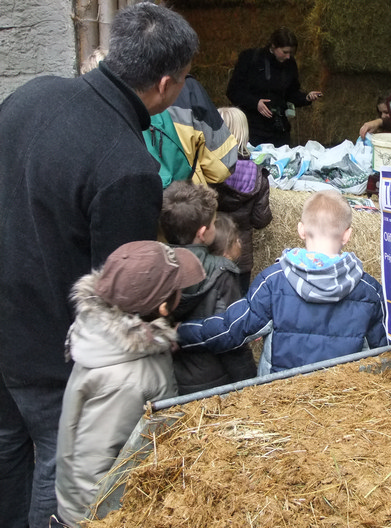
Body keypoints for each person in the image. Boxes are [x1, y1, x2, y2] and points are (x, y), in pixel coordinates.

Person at [0, 4, 198, 527]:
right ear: (165, 85)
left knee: (7, 454)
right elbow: (125, 294)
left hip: (6, 322)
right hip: (50, 352)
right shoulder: (127, 166)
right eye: (184, 79)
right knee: (55, 468)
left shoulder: (31, 94)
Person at [54, 241, 206, 527]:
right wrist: (103, 521)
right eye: (178, 288)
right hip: (102, 514)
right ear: (163, 307)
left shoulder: (121, 342)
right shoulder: (125, 379)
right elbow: (92, 469)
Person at [178, 190, 389, 376]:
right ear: (347, 235)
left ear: (301, 230)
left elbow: (230, 329)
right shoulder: (370, 291)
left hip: (281, 398)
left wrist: (179, 333)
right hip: (341, 400)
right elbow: (383, 353)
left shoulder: (273, 281)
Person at [160, 181, 257, 394]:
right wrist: (250, 383)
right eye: (213, 223)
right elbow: (232, 334)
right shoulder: (221, 271)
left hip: (167, 377)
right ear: (203, 233)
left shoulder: (154, 265)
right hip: (213, 381)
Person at [226, 27, 323, 147]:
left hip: (279, 129)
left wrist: (306, 97)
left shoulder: (290, 64)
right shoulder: (251, 58)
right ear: (273, 46)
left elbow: (291, 94)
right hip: (252, 128)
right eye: (285, 52)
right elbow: (233, 91)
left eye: (291, 53)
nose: (288, 56)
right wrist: (255, 103)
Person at [214, 106, 273, 292]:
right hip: (240, 256)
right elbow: (261, 220)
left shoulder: (204, 170)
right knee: (237, 302)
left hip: (209, 251)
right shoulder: (258, 175)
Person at [145, 75, 240, 188]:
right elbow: (222, 167)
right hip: (183, 194)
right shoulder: (187, 88)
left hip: (135, 193)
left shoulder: (126, 92)